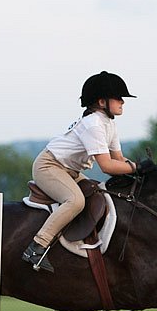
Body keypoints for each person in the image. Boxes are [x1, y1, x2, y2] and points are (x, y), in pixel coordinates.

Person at [22, 71, 140, 273]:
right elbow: (108, 166)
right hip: (48, 166)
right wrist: (139, 167)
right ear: (102, 102)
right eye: (118, 98)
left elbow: (119, 160)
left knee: (101, 196)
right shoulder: (93, 124)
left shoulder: (108, 124)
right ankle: (37, 246)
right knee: (76, 201)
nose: (123, 102)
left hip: (70, 171)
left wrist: (143, 170)